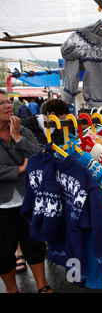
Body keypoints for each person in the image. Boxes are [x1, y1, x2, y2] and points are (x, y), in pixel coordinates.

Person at [0, 89, 52, 293]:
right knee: (4, 252)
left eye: (8, 101)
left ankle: (42, 285)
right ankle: (12, 289)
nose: (7, 105)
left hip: (28, 198)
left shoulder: (21, 129)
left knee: (35, 244)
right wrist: (21, 168)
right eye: (1, 103)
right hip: (2, 205)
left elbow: (41, 154)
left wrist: (17, 137)